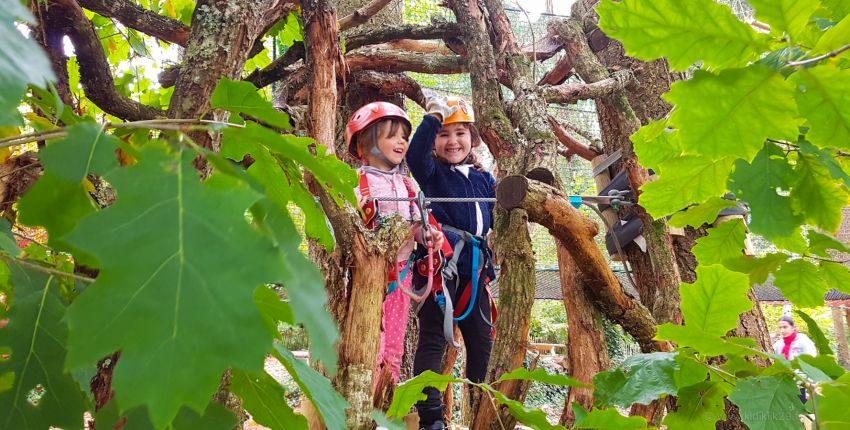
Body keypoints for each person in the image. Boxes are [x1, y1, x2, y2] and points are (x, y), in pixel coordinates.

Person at [406, 94, 498, 430]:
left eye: (460, 132)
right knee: (433, 339)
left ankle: (481, 410)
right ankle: (431, 419)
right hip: (441, 266)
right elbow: (415, 154)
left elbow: (498, 212)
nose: (452, 141)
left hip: (475, 269)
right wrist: (433, 118)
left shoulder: (482, 177)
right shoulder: (431, 174)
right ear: (434, 142)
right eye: (444, 134)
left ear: (472, 137)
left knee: (482, 341)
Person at [345, 101, 445, 385]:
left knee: (393, 349)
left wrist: (429, 237)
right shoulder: (354, 184)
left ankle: (385, 411)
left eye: (404, 136)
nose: (402, 142)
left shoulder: (409, 186)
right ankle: (362, 405)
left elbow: (417, 228)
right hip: (365, 277)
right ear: (365, 143)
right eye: (392, 135)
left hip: (400, 275)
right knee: (369, 345)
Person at [773, 315, 817, 403]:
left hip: (801, 381)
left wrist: (810, 383)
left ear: (793, 328)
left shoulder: (804, 342)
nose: (782, 330)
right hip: (783, 381)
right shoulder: (778, 344)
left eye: (785, 327)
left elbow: (812, 362)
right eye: (780, 328)